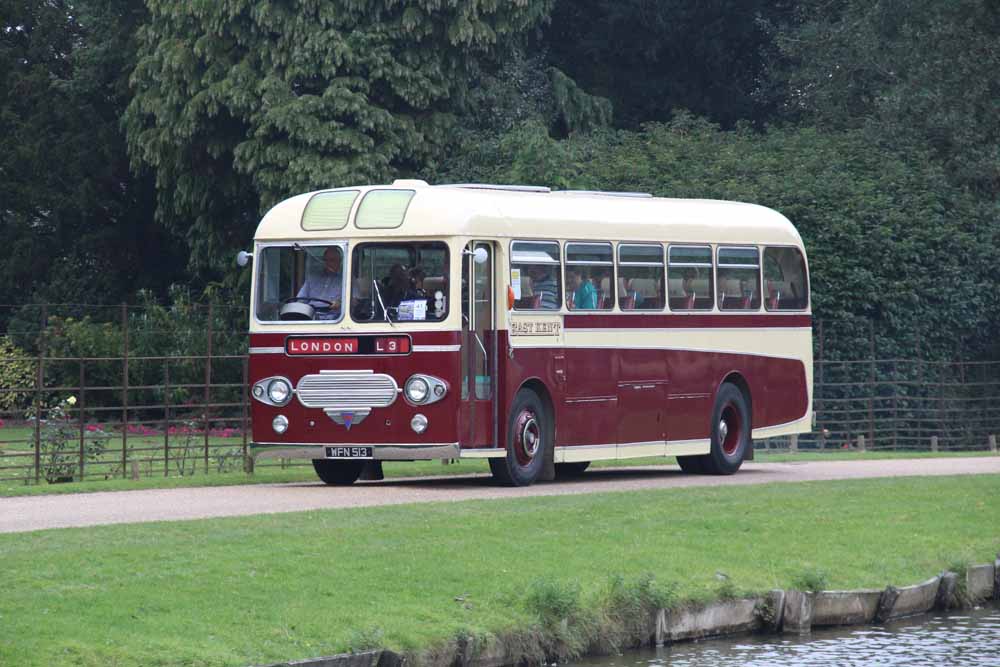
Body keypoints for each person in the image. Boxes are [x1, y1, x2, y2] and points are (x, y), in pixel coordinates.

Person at [297, 246, 342, 318]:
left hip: (334, 319)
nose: (328, 263)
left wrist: (341, 303)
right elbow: (300, 300)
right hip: (311, 317)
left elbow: (354, 301)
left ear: (339, 262)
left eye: (332, 260)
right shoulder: (311, 278)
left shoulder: (346, 280)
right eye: (325, 260)